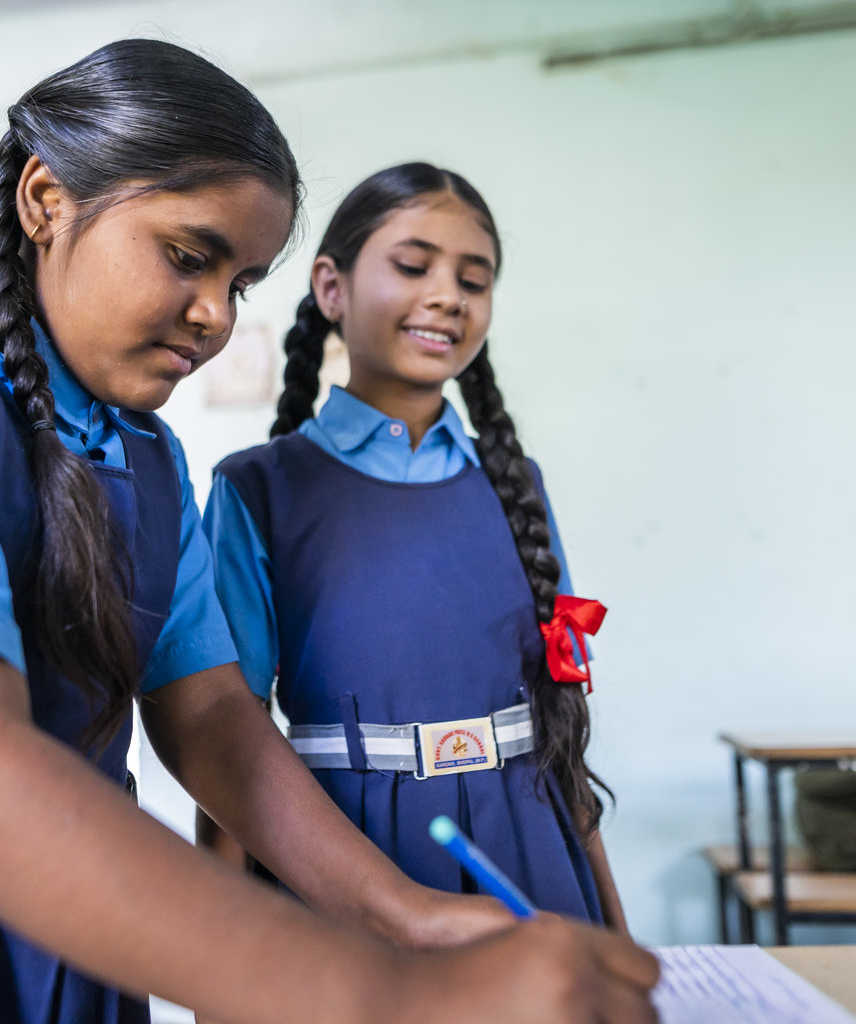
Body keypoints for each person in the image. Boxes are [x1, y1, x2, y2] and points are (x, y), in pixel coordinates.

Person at [0, 43, 657, 1024]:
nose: (214, 315)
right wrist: (387, 991)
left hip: (72, 942)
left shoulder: (149, 463)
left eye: (239, 282)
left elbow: (214, 723)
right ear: (46, 199)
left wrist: (402, 913)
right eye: (188, 255)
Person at [204, 162, 630, 931]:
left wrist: (615, 926)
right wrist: (219, 976)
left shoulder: (517, 485)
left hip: (530, 856)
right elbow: (226, 746)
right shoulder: (256, 490)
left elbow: (563, 734)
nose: (446, 296)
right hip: (341, 867)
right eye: (412, 265)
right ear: (330, 287)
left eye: (475, 280)